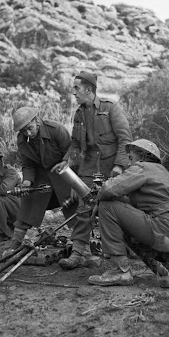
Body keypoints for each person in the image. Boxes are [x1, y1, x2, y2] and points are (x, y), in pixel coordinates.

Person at [52, 71, 133, 269]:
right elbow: (75, 143)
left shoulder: (110, 108)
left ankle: (128, 248)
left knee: (118, 207)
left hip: (110, 168)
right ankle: (79, 252)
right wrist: (66, 161)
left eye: (77, 88)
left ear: (89, 89)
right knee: (83, 208)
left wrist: (120, 165)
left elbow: (125, 139)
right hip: (88, 168)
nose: (74, 93)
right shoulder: (79, 113)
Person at [87, 139, 169, 287]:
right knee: (126, 225)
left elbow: (108, 189)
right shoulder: (163, 173)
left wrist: (98, 203)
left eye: (130, 158)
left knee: (107, 205)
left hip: (165, 227)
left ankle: (120, 271)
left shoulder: (142, 167)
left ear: (142, 156)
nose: (129, 164)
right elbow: (136, 208)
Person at [4, 107, 78, 254]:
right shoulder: (22, 139)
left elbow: (72, 154)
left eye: (30, 128)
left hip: (63, 172)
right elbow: (28, 165)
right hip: (41, 176)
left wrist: (75, 183)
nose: (28, 133)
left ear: (37, 120)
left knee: (74, 206)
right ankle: (16, 242)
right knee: (29, 201)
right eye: (24, 130)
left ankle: (80, 245)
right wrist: (27, 183)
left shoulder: (56, 130)